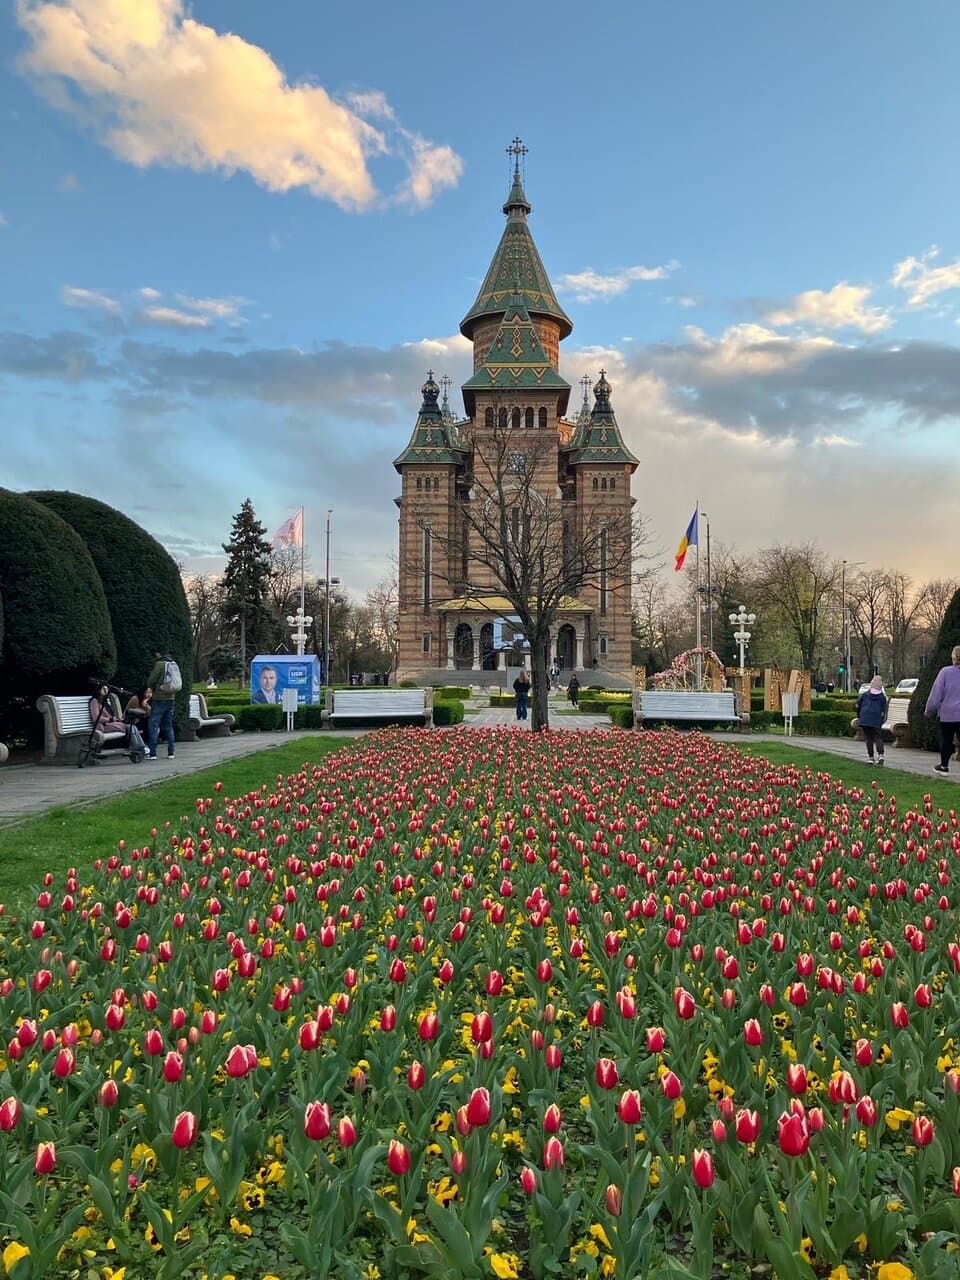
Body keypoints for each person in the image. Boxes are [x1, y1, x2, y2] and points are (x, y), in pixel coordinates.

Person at [925, 644, 960, 775]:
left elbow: (936, 693)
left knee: (947, 739)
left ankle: (944, 766)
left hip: (948, 714)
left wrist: (929, 710)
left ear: (953, 658)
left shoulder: (945, 672)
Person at [145, 650, 179, 760]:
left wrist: (150, 685)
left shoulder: (159, 664)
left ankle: (153, 753)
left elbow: (151, 680)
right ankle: (171, 752)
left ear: (159, 654)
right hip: (171, 698)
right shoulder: (173, 664)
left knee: (154, 725)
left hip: (159, 698)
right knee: (169, 726)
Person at [856, 674, 888, 767]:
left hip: (865, 719)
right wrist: (881, 721)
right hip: (876, 719)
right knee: (878, 737)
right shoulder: (882, 697)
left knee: (869, 738)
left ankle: (871, 758)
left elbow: (857, 705)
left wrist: (859, 716)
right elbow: (883, 710)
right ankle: (881, 755)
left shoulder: (865, 695)